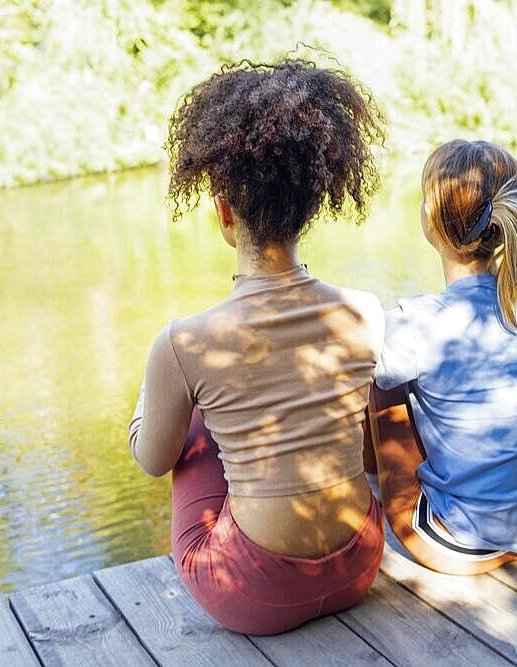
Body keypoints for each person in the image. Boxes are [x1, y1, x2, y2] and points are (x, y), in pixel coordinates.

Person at [128, 59, 387, 635]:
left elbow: (152, 461)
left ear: (223, 211)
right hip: (362, 564)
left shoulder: (184, 341)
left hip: (255, 595)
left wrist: (148, 410)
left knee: (193, 414)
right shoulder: (365, 312)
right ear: (312, 205)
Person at [363, 139, 517, 576]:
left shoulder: (420, 322)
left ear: (431, 220)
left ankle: (364, 508)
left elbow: (343, 359)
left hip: (465, 541)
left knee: (378, 379)